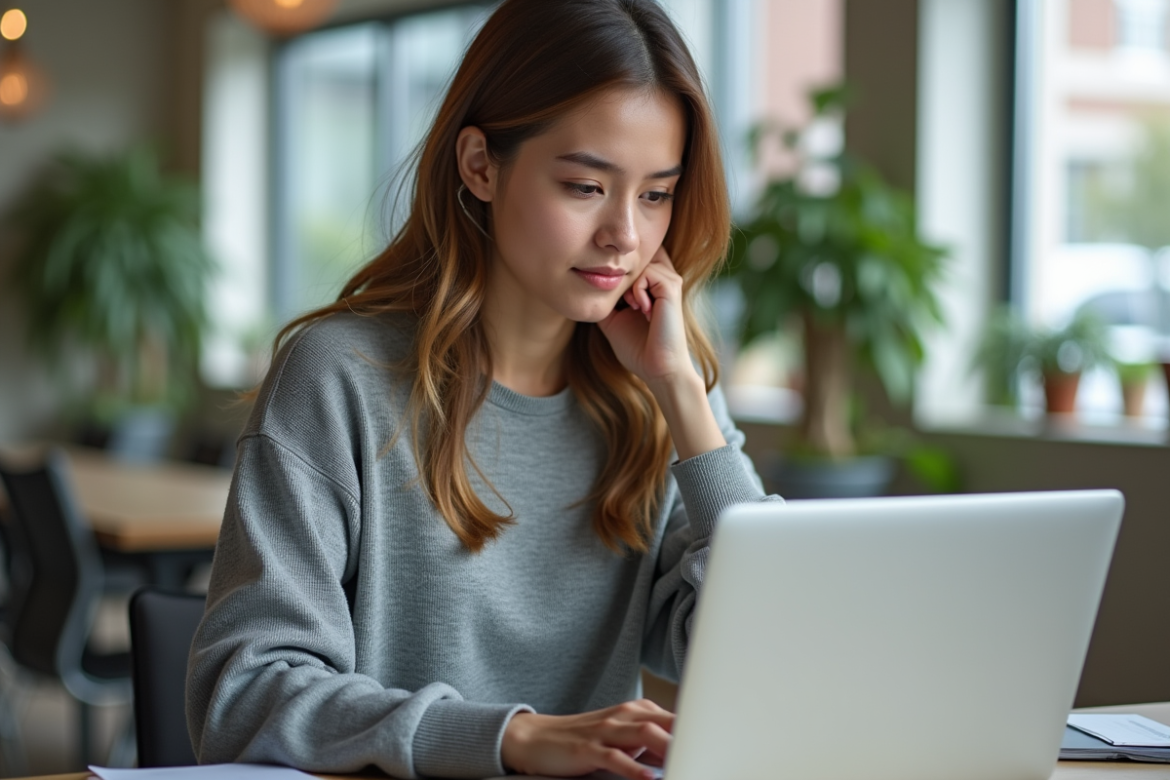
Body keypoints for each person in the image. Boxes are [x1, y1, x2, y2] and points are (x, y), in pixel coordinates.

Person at [186, 1, 781, 778]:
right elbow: (243, 695)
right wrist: (509, 738)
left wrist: (683, 397)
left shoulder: (661, 391)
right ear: (480, 166)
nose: (626, 237)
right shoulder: (340, 377)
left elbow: (769, 649)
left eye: (655, 195)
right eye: (584, 187)